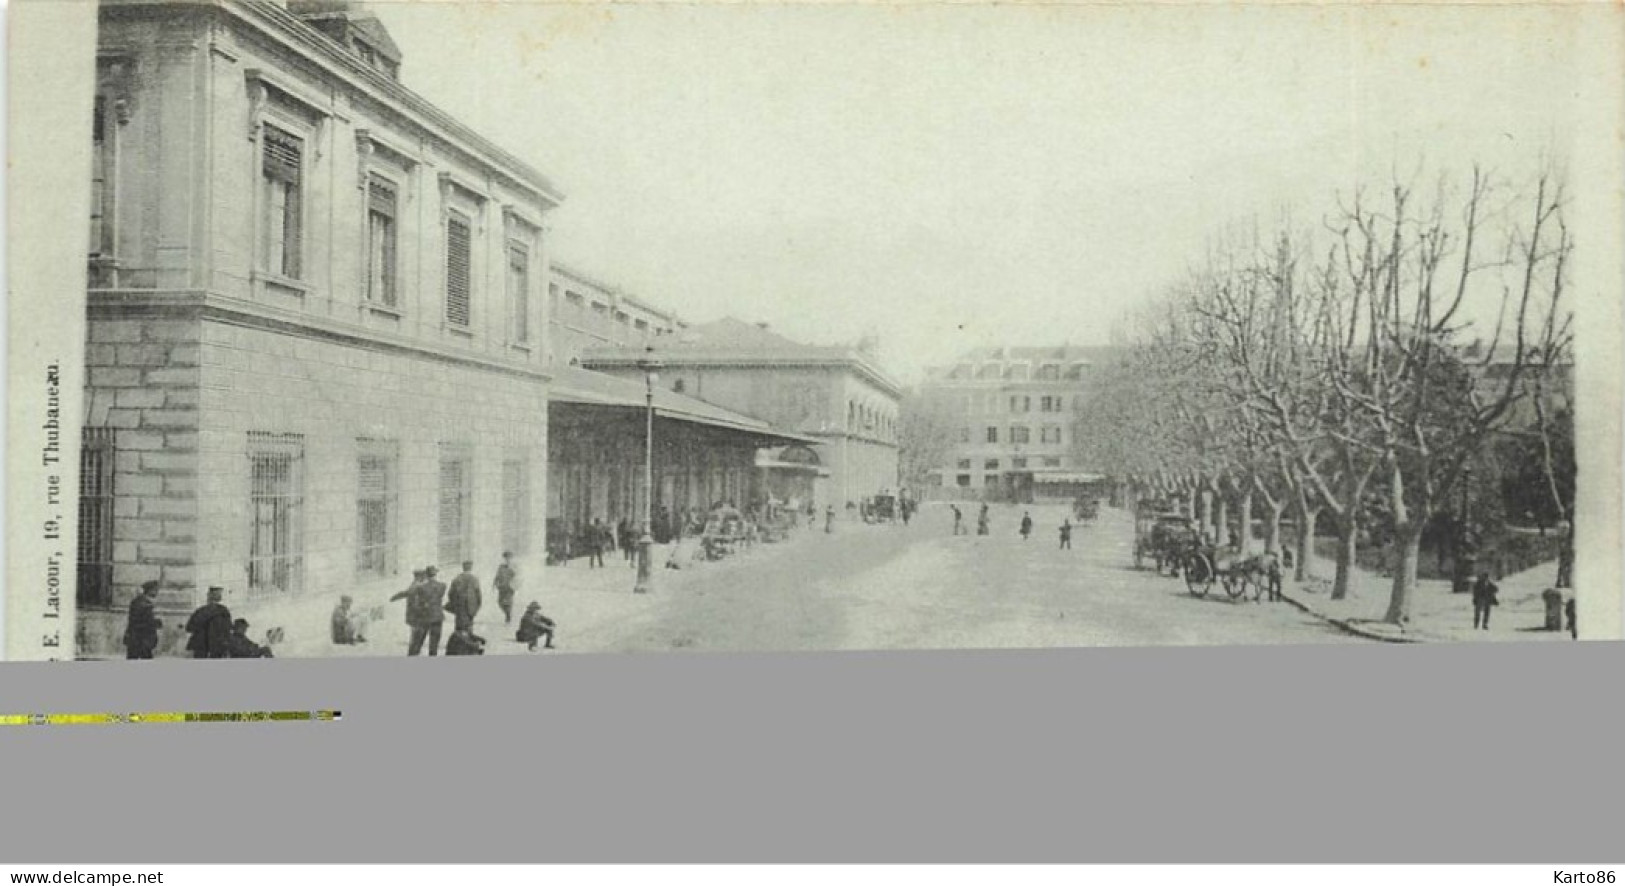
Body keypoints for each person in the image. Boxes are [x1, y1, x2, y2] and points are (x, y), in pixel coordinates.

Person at [391, 567, 446, 656]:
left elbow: (406, 594)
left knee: (416, 642)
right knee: (424, 643)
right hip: (426, 618)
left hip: (420, 618)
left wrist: (394, 597)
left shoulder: (418, 586)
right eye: (422, 576)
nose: (424, 577)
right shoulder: (438, 586)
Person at [184, 586, 233, 659]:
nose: (220, 595)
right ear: (210, 595)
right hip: (204, 646)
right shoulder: (203, 611)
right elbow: (190, 627)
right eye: (217, 593)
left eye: (219, 593)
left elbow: (227, 629)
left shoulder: (223, 611)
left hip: (216, 647)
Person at [123, 580, 163, 660]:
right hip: (140, 639)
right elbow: (140, 622)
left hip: (137, 639)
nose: (157, 592)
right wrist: (155, 623)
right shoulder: (144, 604)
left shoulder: (140, 601)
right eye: (155, 590)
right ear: (149, 590)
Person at [446, 561, 482, 633]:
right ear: (471, 568)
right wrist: (477, 607)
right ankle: (469, 641)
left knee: (459, 625)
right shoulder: (475, 579)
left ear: (463, 568)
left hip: (459, 606)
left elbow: (450, 593)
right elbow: (479, 595)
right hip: (471, 607)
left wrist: (454, 604)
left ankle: (459, 641)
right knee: (469, 625)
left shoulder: (457, 578)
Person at [494, 552, 518, 625]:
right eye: (506, 558)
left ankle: (508, 617)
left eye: (509, 558)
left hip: (509, 588)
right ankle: (507, 614)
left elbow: (518, 577)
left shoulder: (514, 567)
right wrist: (495, 583)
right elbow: (497, 576)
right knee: (500, 602)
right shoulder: (501, 567)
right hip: (501, 587)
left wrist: (514, 586)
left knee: (508, 603)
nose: (507, 559)